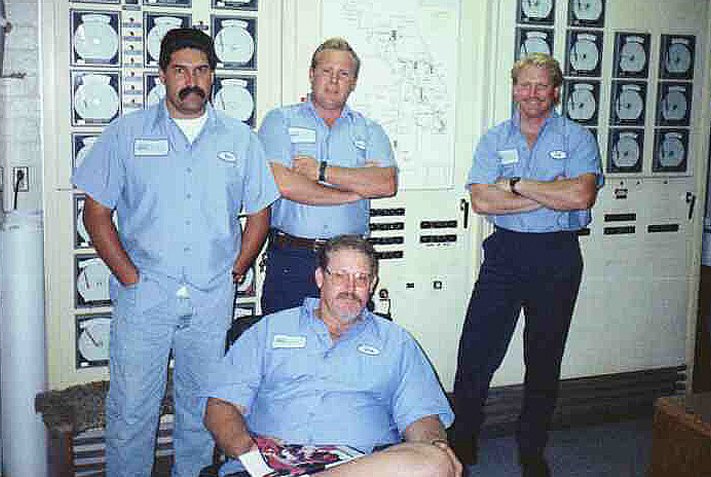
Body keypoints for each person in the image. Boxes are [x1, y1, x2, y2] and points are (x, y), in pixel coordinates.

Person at [72, 28, 279, 477]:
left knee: (201, 411)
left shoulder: (240, 140)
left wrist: (236, 269)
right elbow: (96, 214)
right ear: (163, 75)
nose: (192, 80)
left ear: (213, 77)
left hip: (209, 300)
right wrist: (130, 277)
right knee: (130, 412)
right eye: (181, 70)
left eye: (201, 70)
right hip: (145, 299)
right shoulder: (126, 133)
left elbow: (260, 213)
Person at [451, 53, 603, 477]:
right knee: (477, 350)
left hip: (557, 254)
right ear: (514, 88)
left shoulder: (577, 138)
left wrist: (515, 184)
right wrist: (549, 190)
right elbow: (481, 200)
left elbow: (580, 197)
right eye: (524, 84)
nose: (532, 93)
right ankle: (463, 438)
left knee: (544, 356)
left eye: (541, 86)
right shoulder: (494, 139)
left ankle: (532, 448)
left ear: (555, 92)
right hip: (506, 252)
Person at [203, 235, 461, 477]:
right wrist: (250, 453)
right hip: (270, 464)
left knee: (436, 461)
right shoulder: (269, 331)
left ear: (372, 285)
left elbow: (422, 416)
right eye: (340, 276)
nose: (351, 288)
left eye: (361, 278)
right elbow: (221, 405)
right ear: (320, 278)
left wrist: (435, 444)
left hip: (361, 467)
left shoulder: (396, 342)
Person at [258, 37, 398, 314]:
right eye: (326, 71)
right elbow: (283, 183)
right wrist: (355, 190)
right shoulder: (280, 121)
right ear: (312, 74)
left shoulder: (370, 130)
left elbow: (386, 183)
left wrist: (320, 170)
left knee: (348, 349)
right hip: (292, 259)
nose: (334, 81)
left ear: (354, 82)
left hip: (351, 263)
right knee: (285, 349)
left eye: (343, 74)